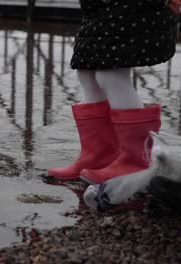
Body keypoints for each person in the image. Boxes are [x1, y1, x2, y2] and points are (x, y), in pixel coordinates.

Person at [48, 0, 181, 184]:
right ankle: (99, 155)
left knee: (111, 74)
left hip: (133, 8)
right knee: (87, 71)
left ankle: (135, 160)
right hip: (103, 8)